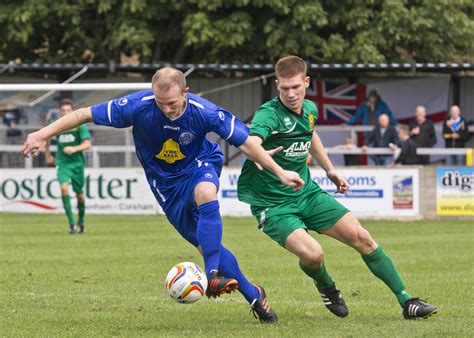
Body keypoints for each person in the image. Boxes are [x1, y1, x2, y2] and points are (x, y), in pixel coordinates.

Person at [22, 67, 305, 324]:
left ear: (186, 92)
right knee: (203, 243)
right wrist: (42, 134)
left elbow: (244, 141)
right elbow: (83, 114)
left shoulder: (204, 111)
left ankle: (212, 276)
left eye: (172, 103)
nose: (167, 110)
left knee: (206, 193)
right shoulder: (138, 106)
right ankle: (254, 294)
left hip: (200, 165)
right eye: (161, 103)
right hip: (166, 187)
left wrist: (279, 172)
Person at [238, 55, 437, 320]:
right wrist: (278, 169)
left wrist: (330, 170)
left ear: (306, 82)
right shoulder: (269, 114)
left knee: (363, 238)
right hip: (273, 205)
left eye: (296, 87)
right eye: (285, 88)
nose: (291, 94)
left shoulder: (309, 109)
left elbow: (310, 134)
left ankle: (407, 301)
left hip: (307, 194)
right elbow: (250, 143)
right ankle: (326, 286)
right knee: (314, 255)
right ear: (277, 85)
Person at [44, 99, 91, 234]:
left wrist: (74, 148)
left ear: (72, 111)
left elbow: (87, 144)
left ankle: (81, 222)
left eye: (68, 110)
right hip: (62, 163)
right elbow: (46, 137)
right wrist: (47, 155)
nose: (65, 113)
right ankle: (71, 224)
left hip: (77, 164)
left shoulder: (80, 126)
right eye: (63, 110)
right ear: (60, 112)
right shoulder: (56, 125)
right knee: (64, 188)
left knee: (79, 195)